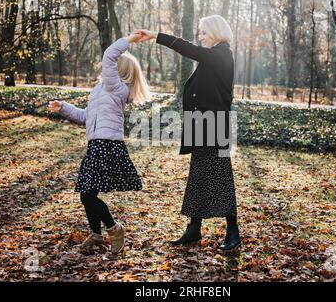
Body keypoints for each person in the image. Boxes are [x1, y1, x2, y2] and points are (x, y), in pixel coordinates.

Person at [136, 15, 241, 250]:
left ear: (215, 32)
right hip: (204, 125)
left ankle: (233, 232)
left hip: (215, 125)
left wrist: (156, 35)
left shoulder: (221, 54)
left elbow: (189, 49)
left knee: (221, 177)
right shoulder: (213, 58)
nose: (200, 36)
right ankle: (194, 229)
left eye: (203, 32)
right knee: (199, 177)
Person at [48, 33, 150, 254]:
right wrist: (63, 107)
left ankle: (114, 228)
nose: (106, 69)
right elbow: (86, 116)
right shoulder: (100, 90)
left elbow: (108, 55)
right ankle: (96, 235)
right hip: (96, 145)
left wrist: (129, 40)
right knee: (88, 194)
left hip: (107, 145)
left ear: (119, 70)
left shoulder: (117, 88)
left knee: (87, 194)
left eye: (113, 66)